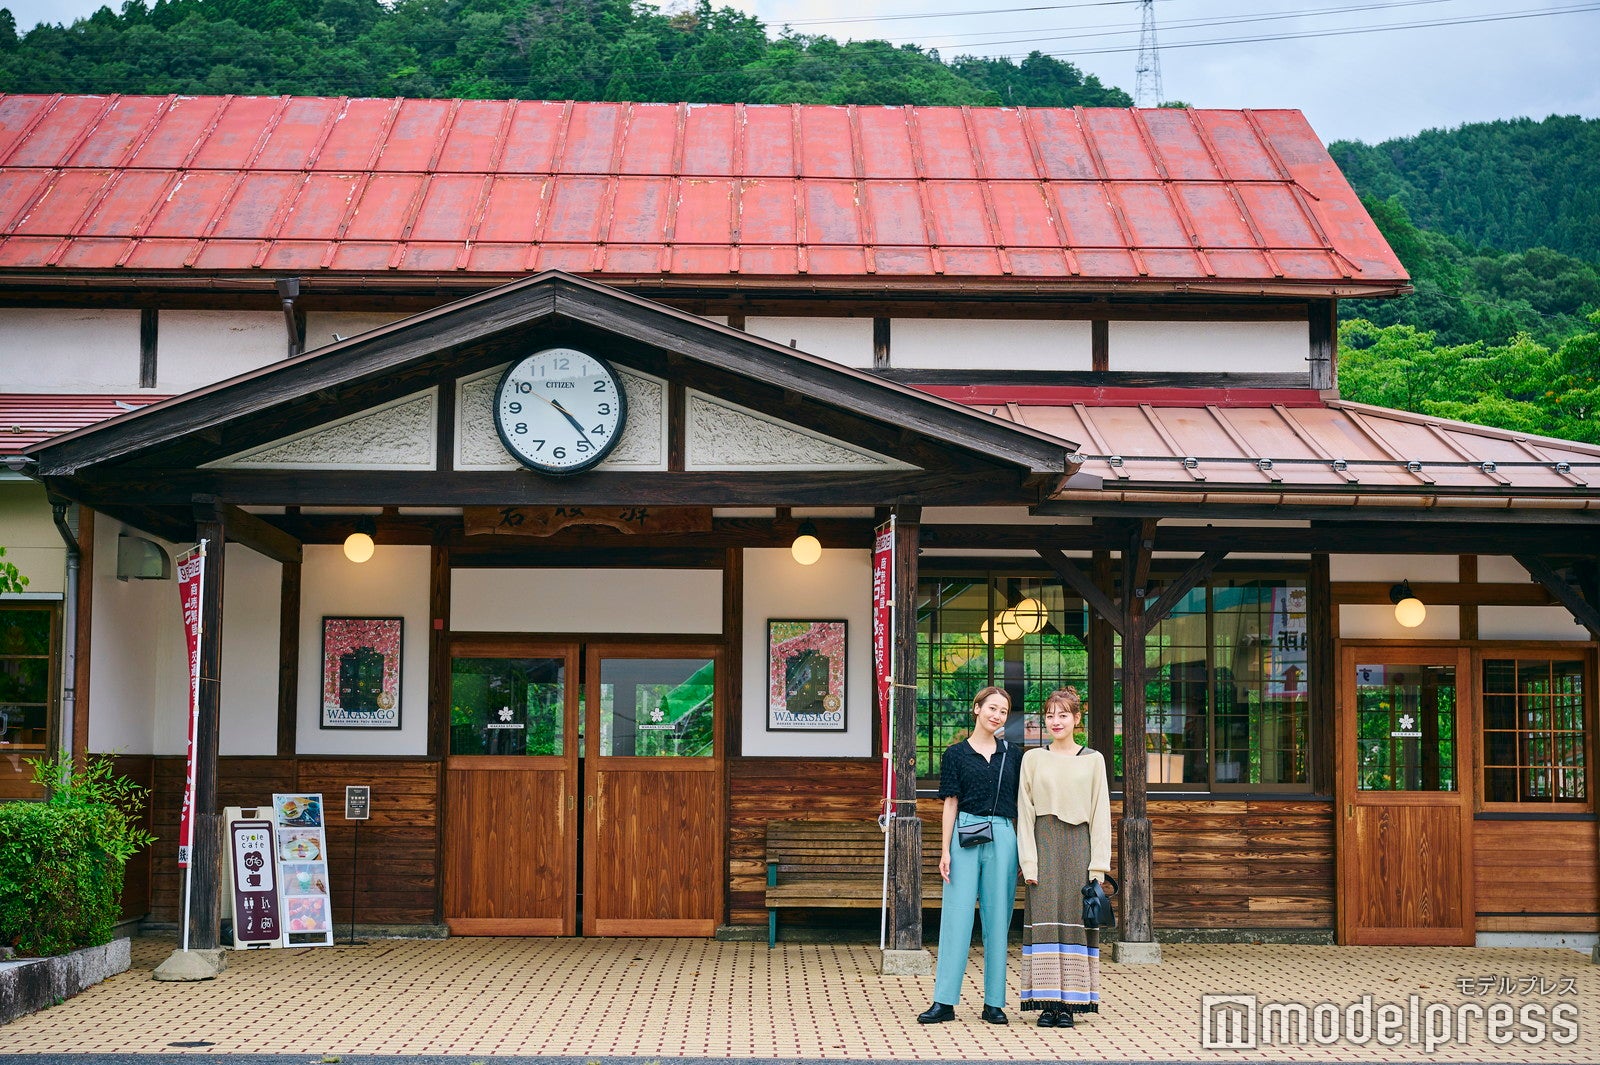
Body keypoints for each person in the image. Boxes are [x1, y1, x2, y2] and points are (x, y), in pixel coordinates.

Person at [918, 686, 1022, 1025]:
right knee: (956, 918)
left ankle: (994, 1002)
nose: (997, 715)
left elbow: (1025, 804)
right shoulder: (955, 754)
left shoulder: (1014, 754)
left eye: (1003, 711)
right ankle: (944, 1001)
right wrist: (944, 850)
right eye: (991, 708)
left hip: (1004, 835)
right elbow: (950, 802)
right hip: (964, 834)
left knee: (998, 921)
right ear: (976, 709)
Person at [1017, 687, 1111, 1028]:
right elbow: (1024, 813)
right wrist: (1028, 861)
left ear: (1077, 718)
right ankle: (1046, 1001)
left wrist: (1098, 865)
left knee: (1074, 918)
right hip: (1043, 841)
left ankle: (1070, 1004)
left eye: (1063, 715)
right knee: (1043, 919)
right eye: (1050, 715)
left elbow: (1101, 813)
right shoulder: (1032, 758)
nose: (1055, 721)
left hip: (1079, 844)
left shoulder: (1093, 759)